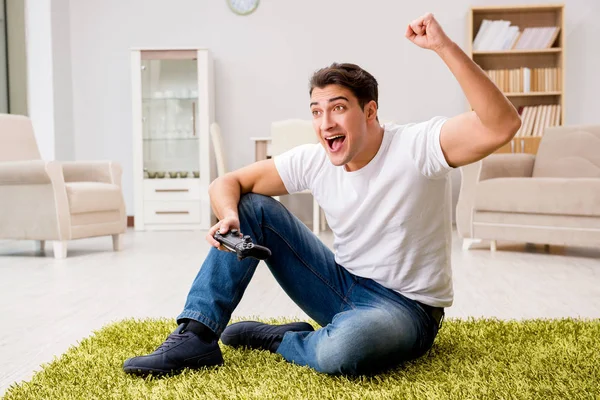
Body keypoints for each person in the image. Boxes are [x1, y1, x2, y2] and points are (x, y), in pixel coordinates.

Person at [123, 12, 521, 377]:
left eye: (338, 108)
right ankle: (196, 336)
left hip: (407, 308)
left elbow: (501, 124)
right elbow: (226, 183)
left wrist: (444, 47)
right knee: (249, 207)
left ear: (369, 112)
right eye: (316, 111)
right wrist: (228, 215)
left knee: (344, 350)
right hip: (338, 285)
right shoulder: (314, 159)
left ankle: (282, 339)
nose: (325, 122)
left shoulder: (418, 145)